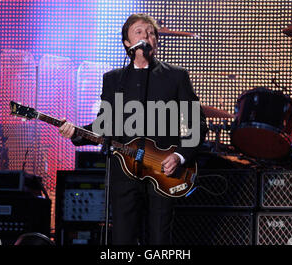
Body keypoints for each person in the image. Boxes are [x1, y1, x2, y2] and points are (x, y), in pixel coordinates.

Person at [59, 13, 207, 245]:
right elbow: (103, 125)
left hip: (164, 170)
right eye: (139, 32)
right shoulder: (114, 79)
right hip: (123, 171)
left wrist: (179, 155)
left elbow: (196, 123)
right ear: (127, 43)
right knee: (122, 238)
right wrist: (76, 133)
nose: (147, 36)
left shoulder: (175, 76)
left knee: (159, 238)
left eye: (151, 32)